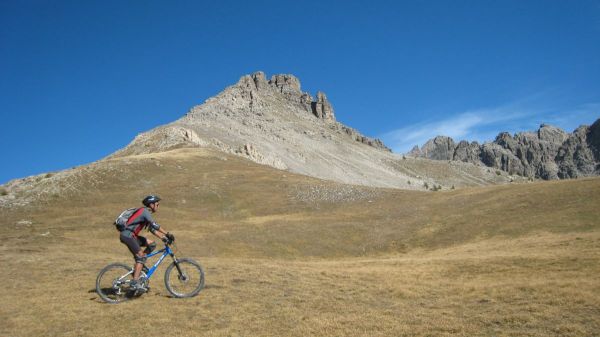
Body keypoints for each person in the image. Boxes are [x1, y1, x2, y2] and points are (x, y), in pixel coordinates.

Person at [119, 195, 174, 291]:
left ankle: (141, 265)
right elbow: (155, 225)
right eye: (157, 204)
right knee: (140, 257)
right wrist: (167, 233)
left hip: (132, 236)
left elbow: (152, 229)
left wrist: (164, 238)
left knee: (152, 244)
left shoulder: (145, 213)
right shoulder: (144, 212)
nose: (158, 206)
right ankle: (135, 283)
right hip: (128, 236)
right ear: (151, 204)